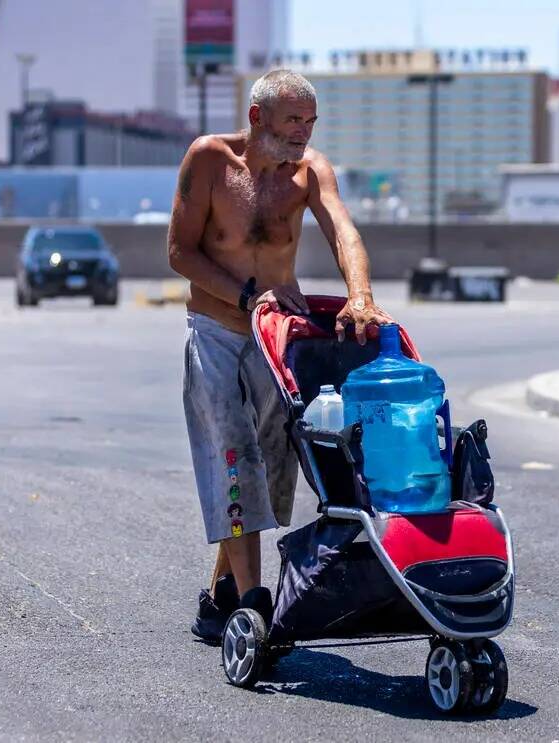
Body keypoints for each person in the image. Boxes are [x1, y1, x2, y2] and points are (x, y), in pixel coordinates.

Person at [167, 69, 391, 643]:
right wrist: (246, 295)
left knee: (268, 466)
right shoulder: (210, 161)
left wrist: (361, 297)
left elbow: (344, 232)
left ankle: (222, 595)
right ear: (258, 117)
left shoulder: (309, 171)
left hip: (275, 337)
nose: (303, 132)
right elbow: (180, 253)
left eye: (311, 121)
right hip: (216, 329)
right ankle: (254, 602)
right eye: (294, 119)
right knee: (233, 456)